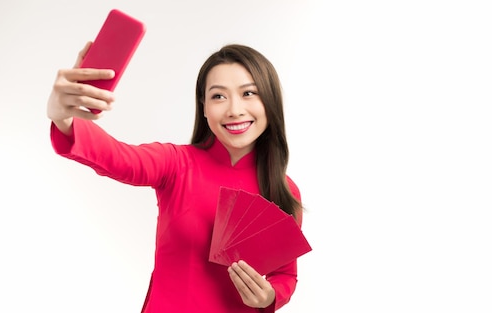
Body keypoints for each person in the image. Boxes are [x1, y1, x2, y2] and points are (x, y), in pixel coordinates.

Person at [47, 42, 305, 313]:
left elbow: (285, 275)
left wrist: (269, 297)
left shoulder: (284, 190)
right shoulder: (177, 164)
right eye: (218, 96)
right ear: (204, 108)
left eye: (248, 93)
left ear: (270, 101)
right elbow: (117, 156)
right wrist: (63, 119)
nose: (234, 110)